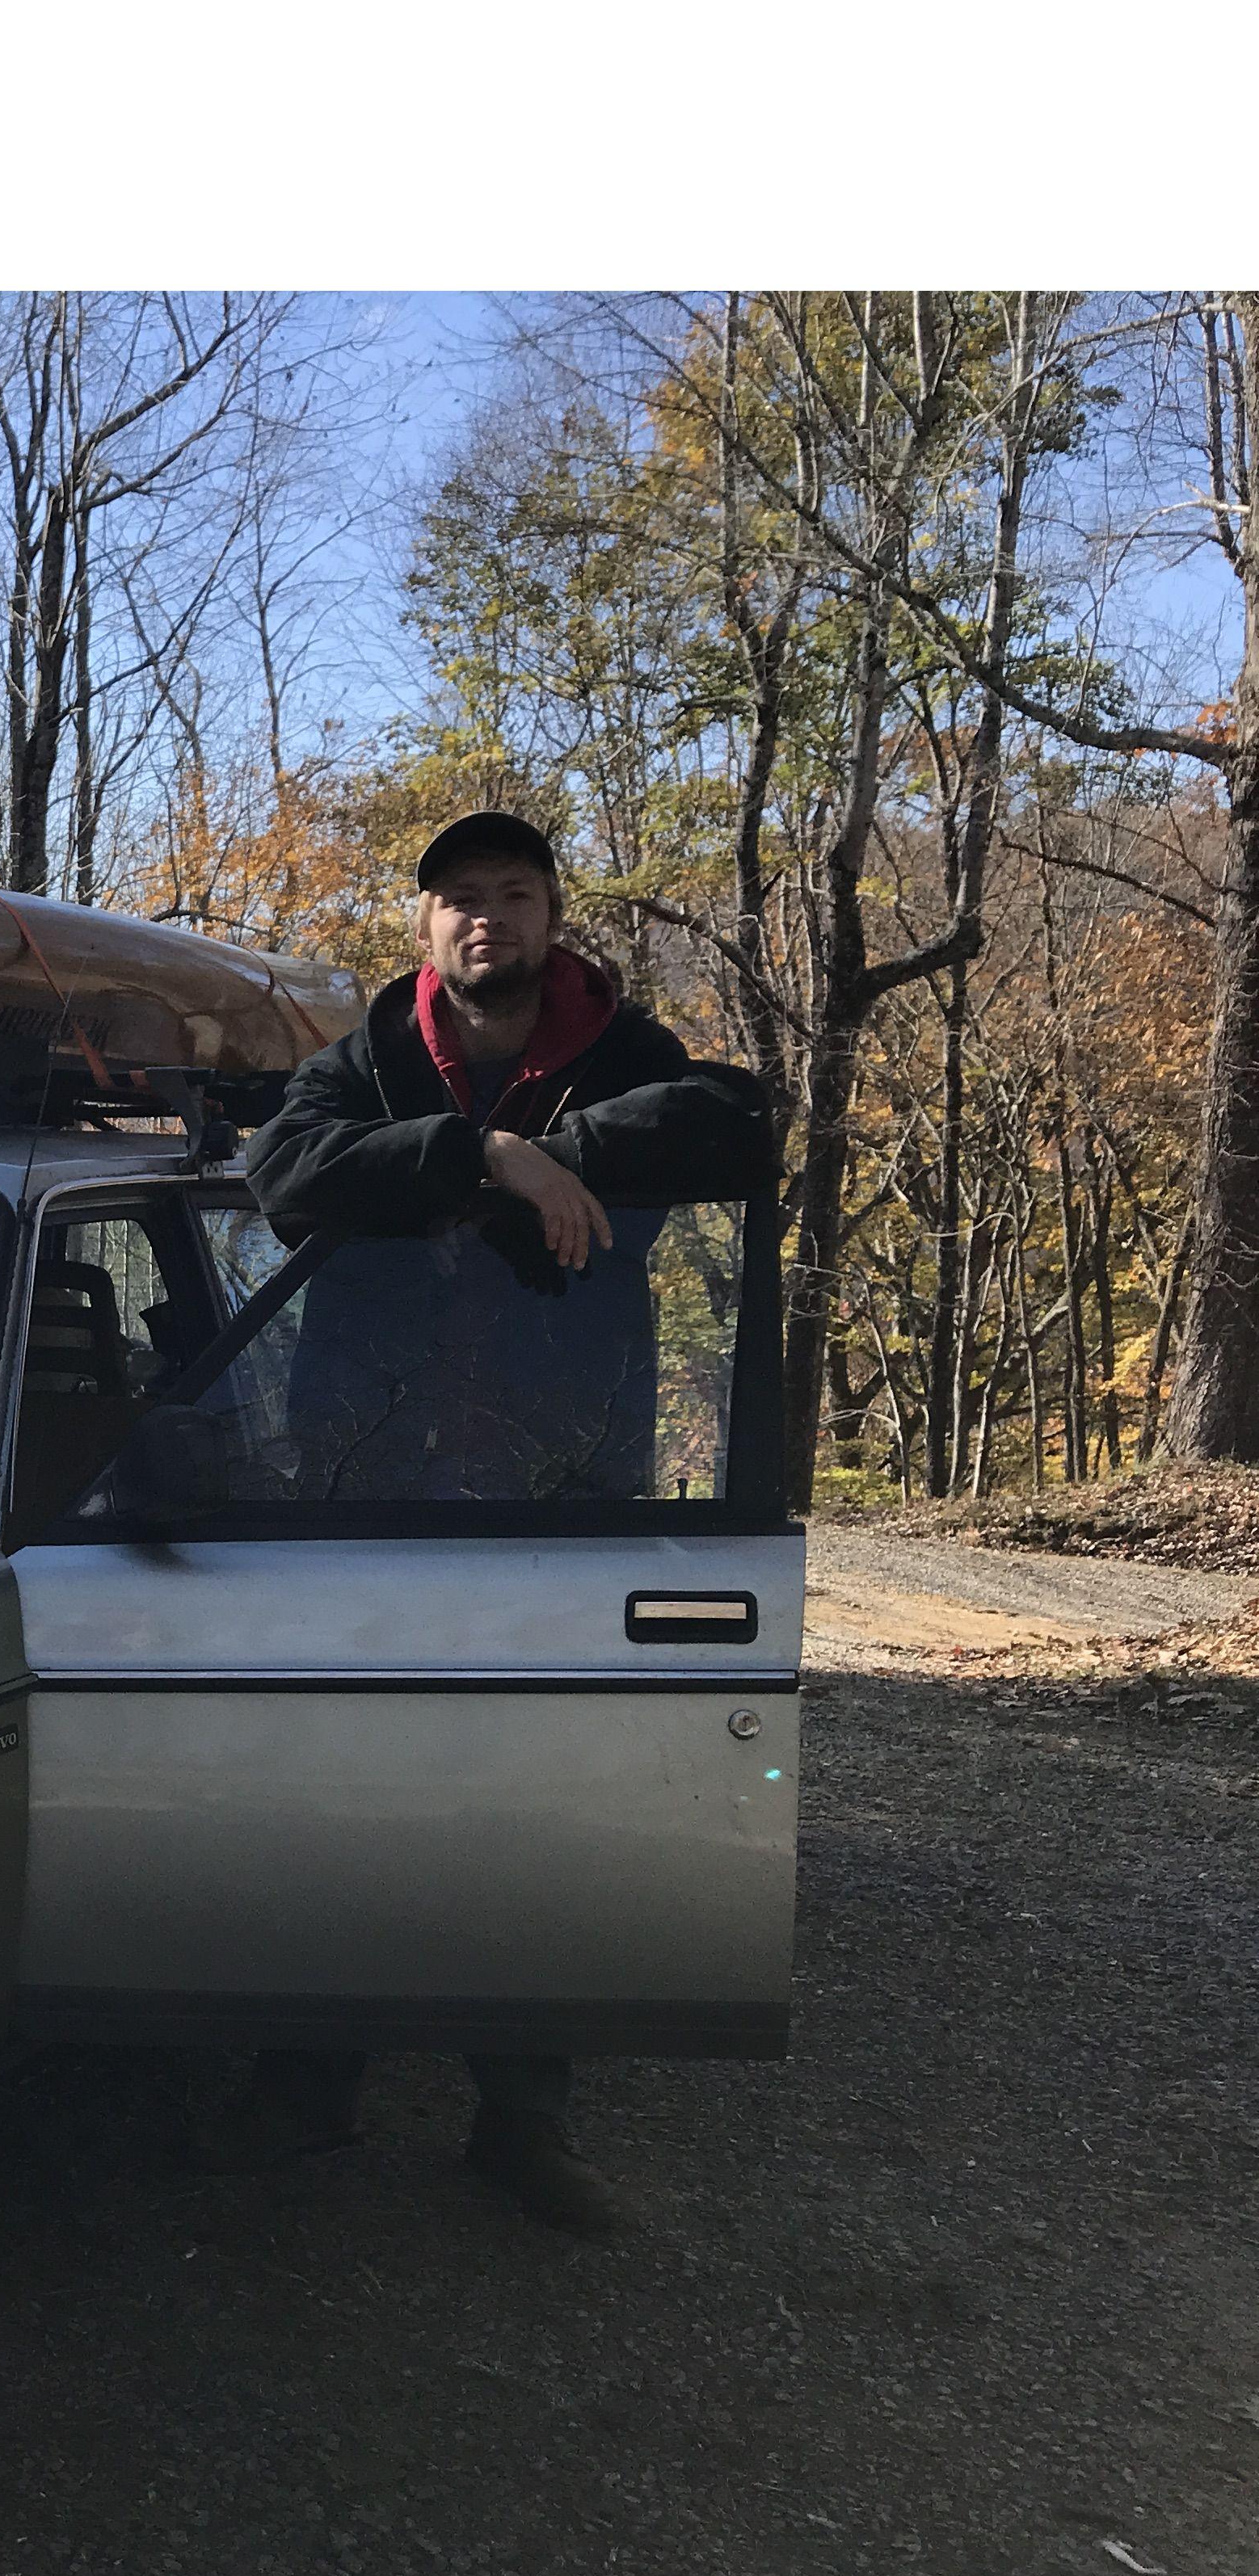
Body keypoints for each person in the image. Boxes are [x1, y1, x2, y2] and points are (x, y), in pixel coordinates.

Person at [191, 809, 774, 2232]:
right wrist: (486, 1160)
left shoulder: (629, 1053)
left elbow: (739, 1124)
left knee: (542, 1795)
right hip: (366, 1475)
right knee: (341, 1778)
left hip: (562, 1477)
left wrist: (566, 1138)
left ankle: (524, 2120)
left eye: (512, 894)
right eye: (458, 898)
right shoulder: (366, 1060)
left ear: (553, 916)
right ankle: (308, 2086)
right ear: (422, 926)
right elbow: (284, 1175)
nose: (484, 920)